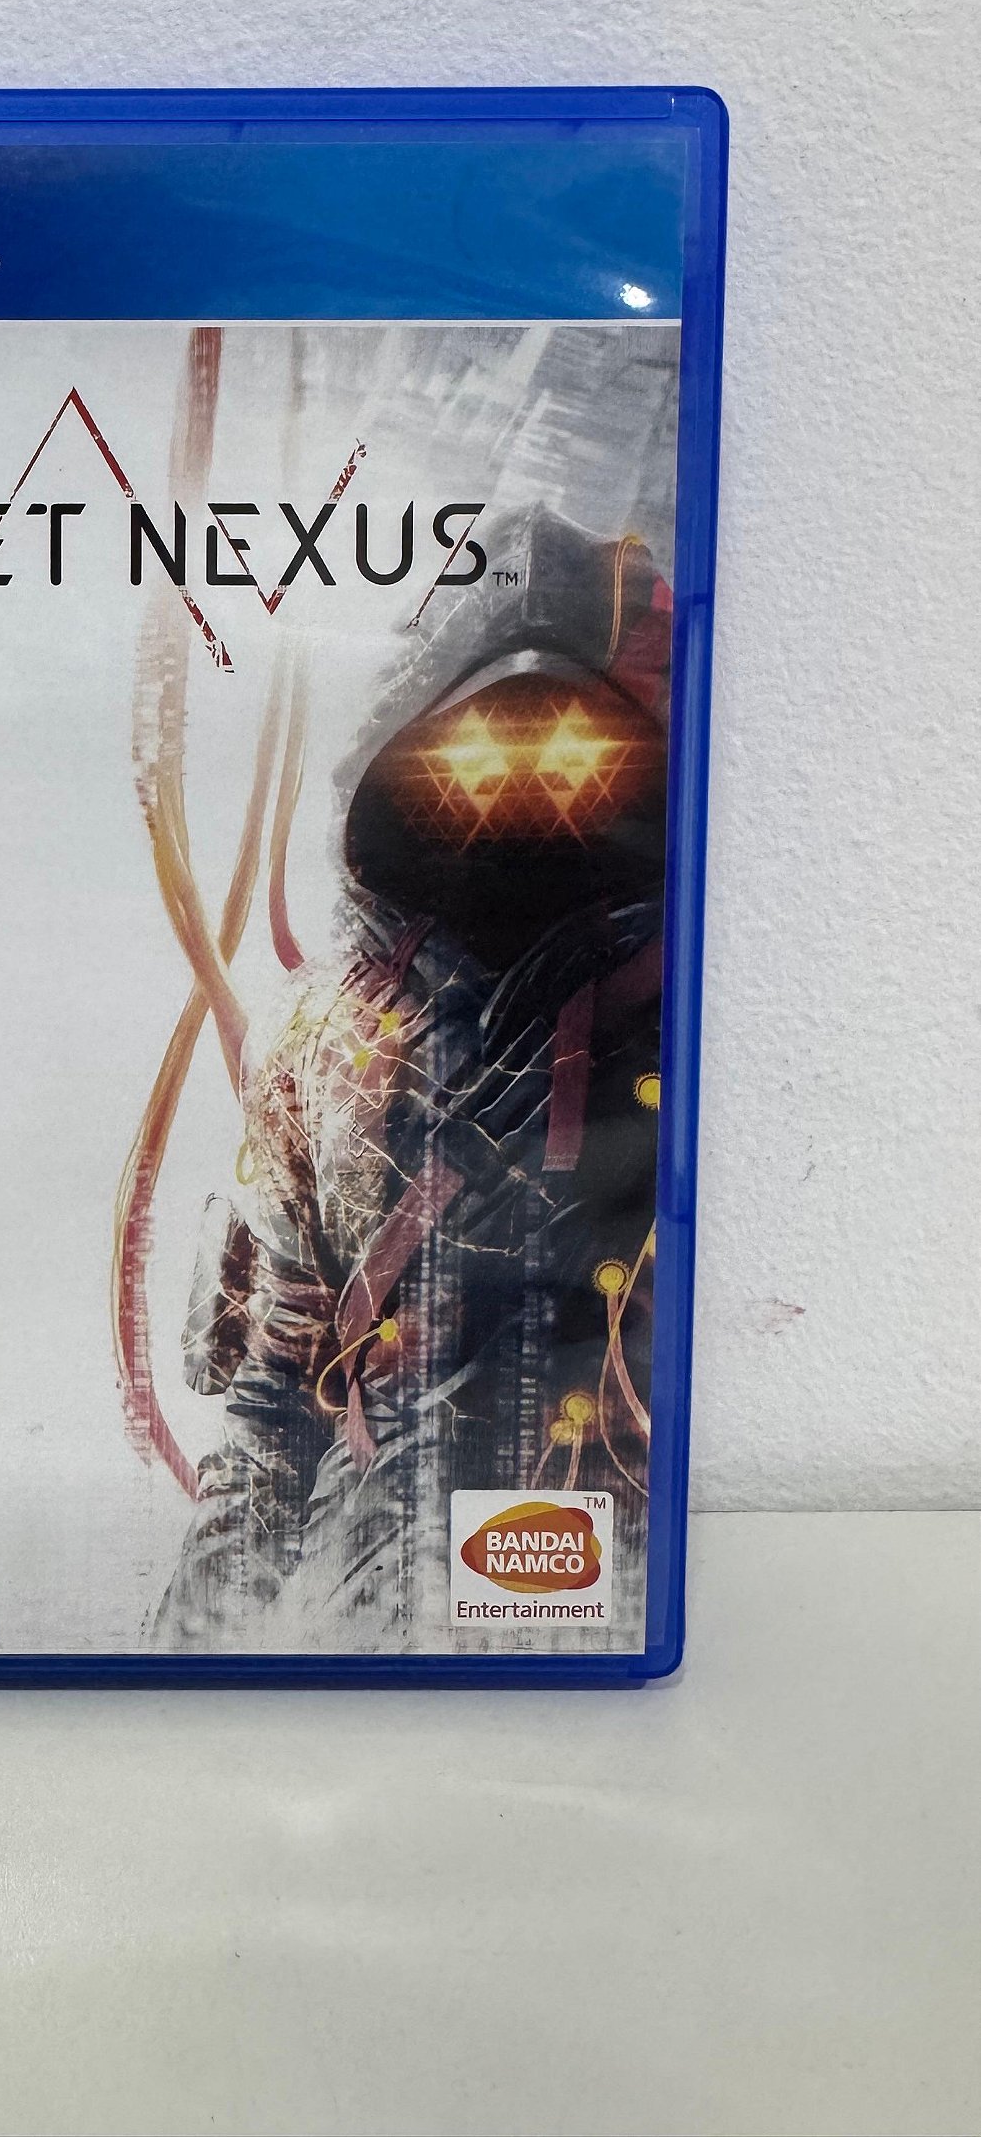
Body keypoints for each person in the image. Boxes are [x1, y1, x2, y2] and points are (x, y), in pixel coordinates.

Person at [153, 511, 669, 1650]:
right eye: (474, 758)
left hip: (605, 1589)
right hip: (370, 1614)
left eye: (576, 755)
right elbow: (268, 1405)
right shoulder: (317, 1040)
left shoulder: (686, 1012)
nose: (527, 788)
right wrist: (184, 1649)